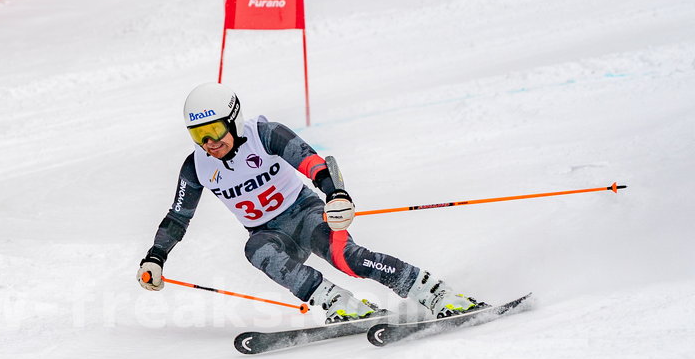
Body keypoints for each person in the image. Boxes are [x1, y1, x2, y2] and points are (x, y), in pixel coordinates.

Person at [136, 82, 484, 324]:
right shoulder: (197, 166)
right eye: (198, 135)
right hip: (271, 234)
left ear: (233, 120)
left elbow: (311, 161)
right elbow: (177, 217)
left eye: (214, 131)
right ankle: (338, 303)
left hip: (306, 215)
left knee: (348, 259)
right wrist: (155, 256)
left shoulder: (264, 134)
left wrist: (335, 193)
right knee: (256, 248)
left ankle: (436, 292)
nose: (209, 143)